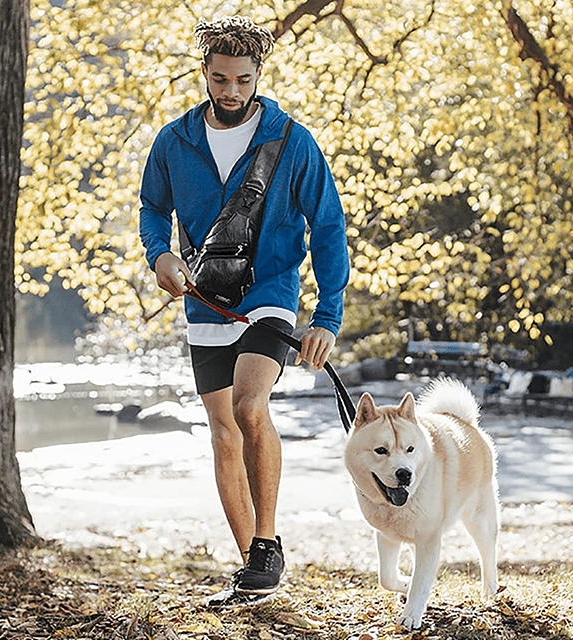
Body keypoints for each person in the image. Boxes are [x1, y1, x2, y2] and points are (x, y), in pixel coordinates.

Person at [139, 15, 349, 605]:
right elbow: (152, 209)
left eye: (242, 80)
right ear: (204, 73)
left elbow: (329, 227)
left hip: (271, 296)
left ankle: (266, 543)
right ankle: (252, 575)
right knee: (222, 434)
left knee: (249, 405)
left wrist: (327, 317)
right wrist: (159, 255)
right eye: (220, 78)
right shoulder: (172, 141)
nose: (230, 91)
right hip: (204, 300)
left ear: (260, 75)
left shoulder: (292, 141)